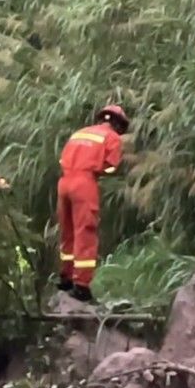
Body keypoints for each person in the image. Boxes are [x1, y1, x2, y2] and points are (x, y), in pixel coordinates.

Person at [56, 104, 129, 303]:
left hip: (64, 182)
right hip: (84, 183)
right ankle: (81, 286)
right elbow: (111, 167)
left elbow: (63, 160)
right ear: (117, 124)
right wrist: (96, 171)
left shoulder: (79, 133)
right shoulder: (111, 137)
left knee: (67, 231)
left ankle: (66, 278)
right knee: (85, 233)